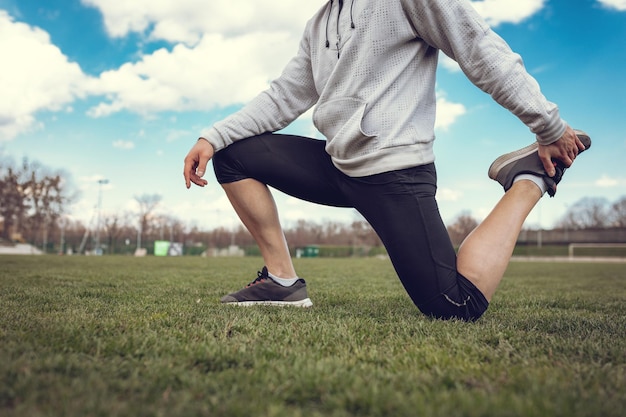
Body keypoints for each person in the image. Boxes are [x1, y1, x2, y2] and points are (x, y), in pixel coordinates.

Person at [183, 0, 590, 321]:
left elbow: (480, 49)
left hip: (396, 175)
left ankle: (528, 179)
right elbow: (282, 96)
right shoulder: (319, 24)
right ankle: (281, 282)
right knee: (233, 155)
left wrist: (547, 126)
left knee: (456, 306)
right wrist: (212, 136)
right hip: (338, 166)